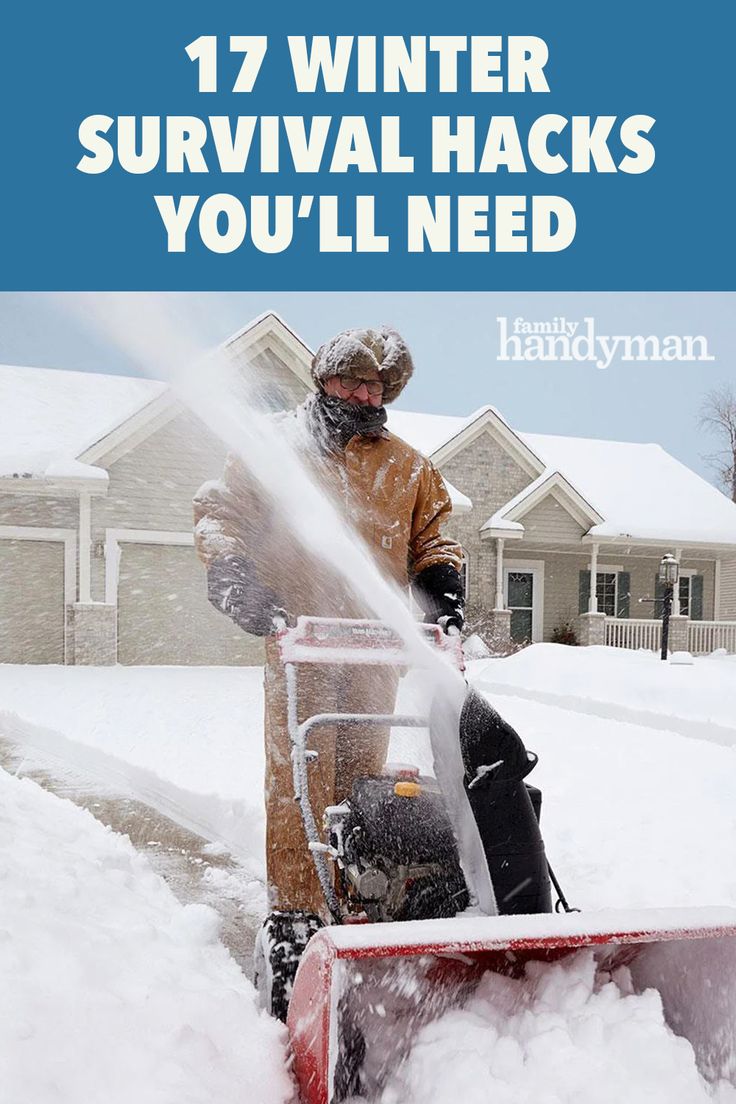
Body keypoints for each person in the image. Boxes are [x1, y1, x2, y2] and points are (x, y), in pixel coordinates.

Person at [193, 326, 464, 1016]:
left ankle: (361, 904)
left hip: (375, 655)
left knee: (367, 785)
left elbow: (435, 536)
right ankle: (296, 918)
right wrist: (231, 573)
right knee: (300, 785)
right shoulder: (273, 449)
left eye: (377, 386)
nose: (365, 394)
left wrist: (442, 587)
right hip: (301, 647)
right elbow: (219, 512)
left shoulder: (408, 466)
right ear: (324, 379)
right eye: (353, 382)